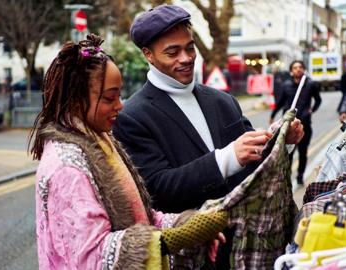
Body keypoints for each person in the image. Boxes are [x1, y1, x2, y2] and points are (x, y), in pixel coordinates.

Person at [113, 6, 303, 268]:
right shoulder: (132, 117)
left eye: (190, 48)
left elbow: (254, 164)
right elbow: (157, 190)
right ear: (148, 55)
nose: (186, 58)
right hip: (194, 255)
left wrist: (281, 141)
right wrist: (226, 158)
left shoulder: (223, 101)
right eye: (172, 51)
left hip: (247, 250)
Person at [30, 34, 228, 269]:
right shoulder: (66, 168)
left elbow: (141, 217)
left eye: (119, 95)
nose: (120, 105)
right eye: (109, 98)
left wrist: (187, 224)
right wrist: (167, 241)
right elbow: (92, 258)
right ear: (76, 102)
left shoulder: (101, 141)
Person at [269, 60, 322, 185]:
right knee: (288, 153)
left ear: (303, 69)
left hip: (305, 124)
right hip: (288, 125)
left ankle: (300, 175)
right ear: (291, 71)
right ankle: (287, 177)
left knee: (303, 152)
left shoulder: (310, 84)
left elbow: (318, 100)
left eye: (300, 67)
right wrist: (272, 115)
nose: (298, 69)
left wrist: (311, 110)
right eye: (295, 67)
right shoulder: (286, 85)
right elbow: (280, 102)